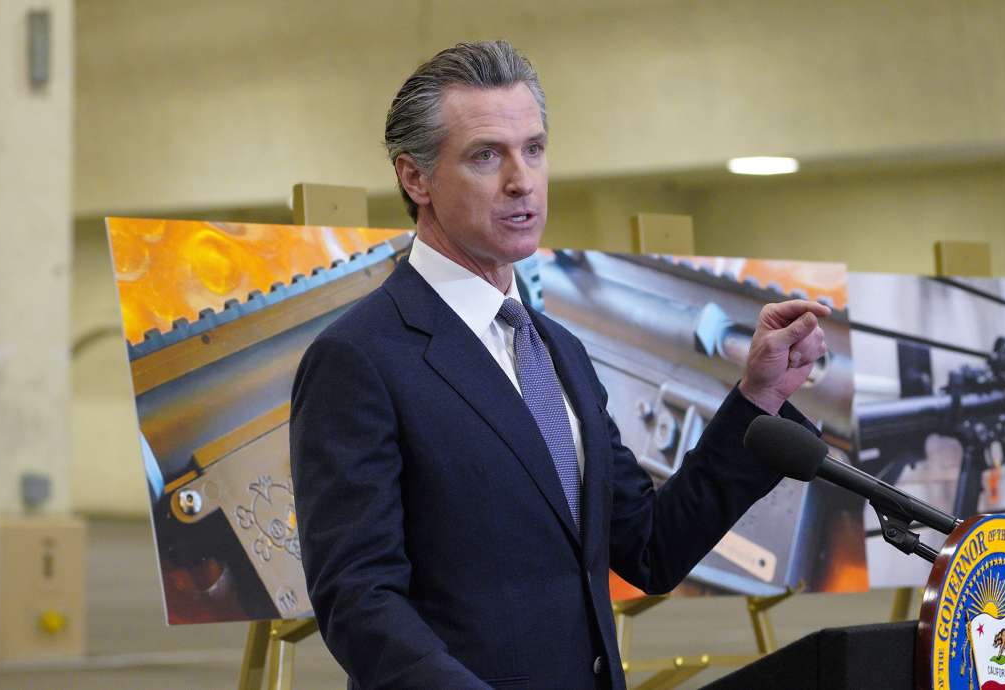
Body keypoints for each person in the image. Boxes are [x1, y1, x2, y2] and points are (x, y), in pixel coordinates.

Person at [290, 40, 829, 690]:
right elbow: (359, 601)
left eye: (534, 149)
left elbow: (650, 547)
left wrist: (757, 398)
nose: (522, 180)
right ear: (416, 178)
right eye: (487, 155)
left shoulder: (560, 352)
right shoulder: (360, 358)